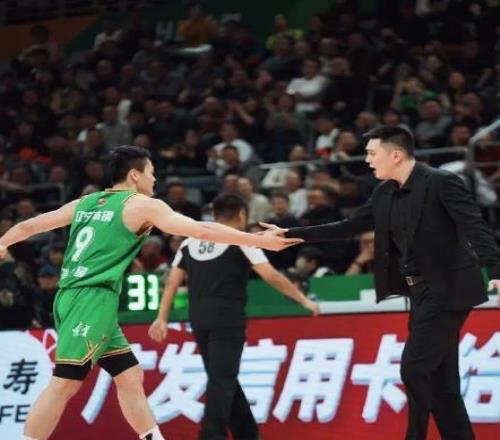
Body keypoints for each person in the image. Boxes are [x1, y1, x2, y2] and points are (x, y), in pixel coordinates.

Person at [0, 145, 300, 440]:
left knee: (129, 375)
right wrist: (258, 240)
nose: (154, 179)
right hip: (91, 299)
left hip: (72, 297)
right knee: (65, 382)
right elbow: (201, 230)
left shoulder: (88, 202)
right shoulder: (142, 205)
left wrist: (3, 243)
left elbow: (32, 225)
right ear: (135, 174)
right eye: (151, 172)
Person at [261, 126, 500, 440]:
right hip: (418, 291)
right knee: (441, 382)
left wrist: (496, 270)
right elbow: (348, 226)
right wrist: (291, 234)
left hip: (450, 287)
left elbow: (474, 225)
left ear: (396, 155)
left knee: (414, 369)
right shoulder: (384, 192)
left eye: (373, 153)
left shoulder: (441, 182)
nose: (368, 160)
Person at [148, 194, 319, 440]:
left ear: (214, 215)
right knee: (222, 378)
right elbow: (271, 276)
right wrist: (303, 300)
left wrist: (161, 318)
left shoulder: (190, 242)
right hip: (227, 317)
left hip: (198, 318)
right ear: (241, 215)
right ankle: (211, 435)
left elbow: (172, 283)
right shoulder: (241, 240)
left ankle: (246, 433)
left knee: (221, 376)